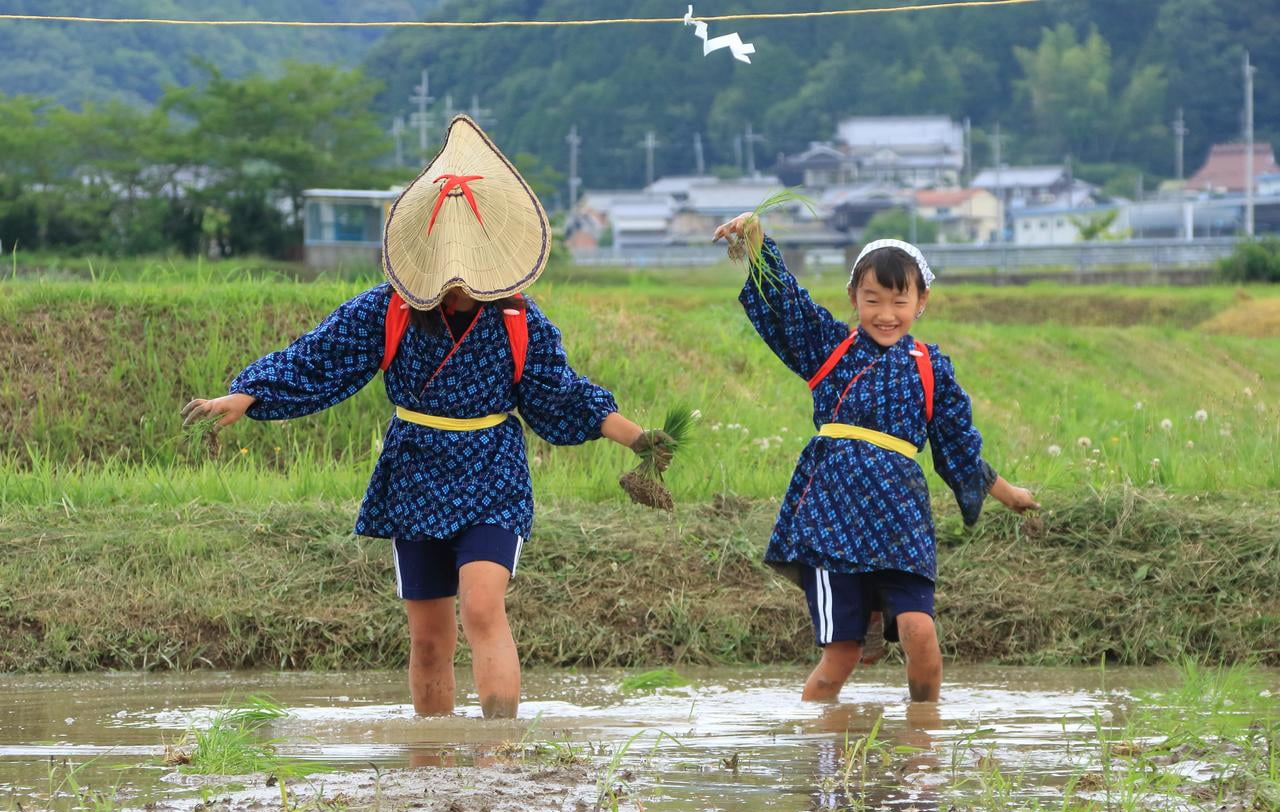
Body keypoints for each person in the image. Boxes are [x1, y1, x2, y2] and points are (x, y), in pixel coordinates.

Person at [183, 115, 671, 719]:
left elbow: (564, 394)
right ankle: (431, 761)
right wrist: (246, 395)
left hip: (492, 470)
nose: (456, 286)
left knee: (483, 607)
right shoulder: (384, 311)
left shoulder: (520, 321)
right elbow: (316, 358)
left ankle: (500, 754)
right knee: (429, 638)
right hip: (414, 470)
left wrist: (639, 440)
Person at [713, 213, 1037, 703]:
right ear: (854, 299)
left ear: (921, 302)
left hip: (899, 522)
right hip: (831, 517)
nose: (886, 313)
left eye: (899, 301)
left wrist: (1006, 492)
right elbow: (788, 302)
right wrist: (756, 240)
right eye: (872, 300)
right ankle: (819, 750)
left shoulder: (931, 368)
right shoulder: (831, 347)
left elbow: (958, 444)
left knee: (920, 634)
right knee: (840, 656)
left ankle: (924, 741)